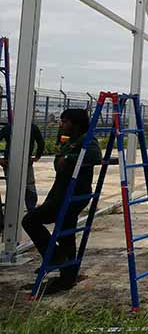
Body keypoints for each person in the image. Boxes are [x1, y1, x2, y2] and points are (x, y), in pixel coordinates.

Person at [22, 108, 101, 295]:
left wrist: (69, 159)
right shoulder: (71, 141)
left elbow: (95, 155)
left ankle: (55, 257)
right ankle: (67, 277)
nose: (61, 125)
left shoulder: (85, 140)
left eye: (64, 121)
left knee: (30, 220)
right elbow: (60, 165)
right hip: (62, 195)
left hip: (71, 197)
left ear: (76, 124)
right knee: (66, 234)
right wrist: (64, 156)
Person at [0, 121, 43, 226]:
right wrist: (37, 157)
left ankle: (11, 214)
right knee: (29, 186)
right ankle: (31, 212)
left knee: (13, 186)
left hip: (10, 161)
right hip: (25, 161)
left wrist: (1, 160)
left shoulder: (9, 127)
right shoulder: (32, 127)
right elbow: (41, 143)